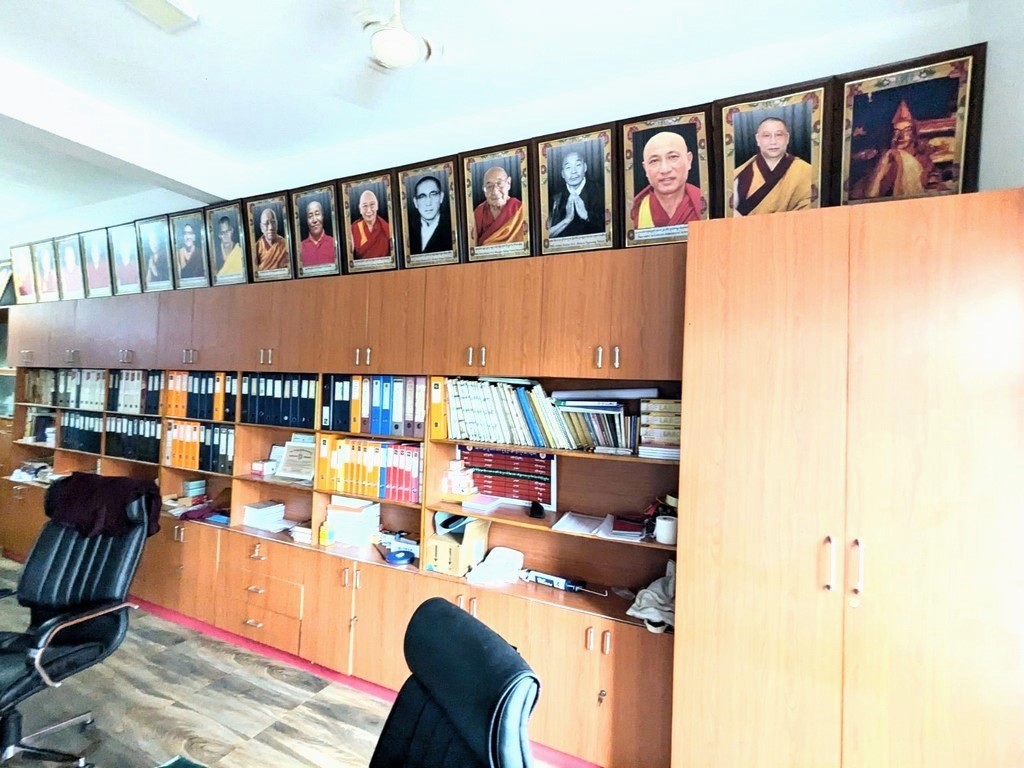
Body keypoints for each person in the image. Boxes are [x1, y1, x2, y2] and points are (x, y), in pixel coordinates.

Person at [850, 100, 932, 200]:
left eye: (907, 131)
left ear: (914, 135)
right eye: (896, 132)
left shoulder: (923, 160)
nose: (900, 137)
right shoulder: (881, 160)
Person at [731, 116, 812, 216]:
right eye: (766, 135)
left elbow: (810, 211)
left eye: (778, 135)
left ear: (787, 138)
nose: (773, 141)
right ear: (758, 139)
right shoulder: (742, 173)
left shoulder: (805, 171)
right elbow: (729, 209)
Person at [630, 131, 703, 229]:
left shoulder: (705, 203)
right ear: (645, 168)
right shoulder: (633, 212)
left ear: (689, 160)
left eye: (673, 157)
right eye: (654, 161)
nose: (665, 169)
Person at [548, 149, 604, 238]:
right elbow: (545, 235)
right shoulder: (555, 197)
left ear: (585, 167)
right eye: (568, 167)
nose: (573, 171)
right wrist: (567, 219)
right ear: (563, 174)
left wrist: (587, 215)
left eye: (578, 165)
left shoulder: (601, 192)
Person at [473, 166, 525, 246]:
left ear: (508, 183)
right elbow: (472, 246)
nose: (495, 191)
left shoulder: (521, 209)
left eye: (499, 183)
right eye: (489, 186)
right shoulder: (479, 213)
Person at [408, 176, 452, 254]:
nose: (428, 203)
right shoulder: (407, 230)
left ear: (441, 197)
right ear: (415, 202)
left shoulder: (452, 227)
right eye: (422, 196)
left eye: (433, 194)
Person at [351, 189, 392, 259]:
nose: (369, 210)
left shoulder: (387, 228)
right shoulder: (353, 229)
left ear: (377, 206)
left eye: (372, 205)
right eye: (365, 206)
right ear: (360, 209)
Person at [299, 199, 336, 267]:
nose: (314, 220)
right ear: (306, 220)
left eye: (317, 214)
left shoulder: (334, 243)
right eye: (310, 216)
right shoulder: (300, 248)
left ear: (323, 216)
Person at [255, 206, 288, 271]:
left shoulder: (285, 244)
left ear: (277, 224)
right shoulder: (257, 247)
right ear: (261, 227)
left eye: (273, 222)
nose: (271, 227)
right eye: (266, 223)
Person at [215, 215, 244, 280]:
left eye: (227, 231)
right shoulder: (216, 255)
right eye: (222, 233)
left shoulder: (239, 251)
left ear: (232, 231)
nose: (226, 235)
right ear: (219, 235)